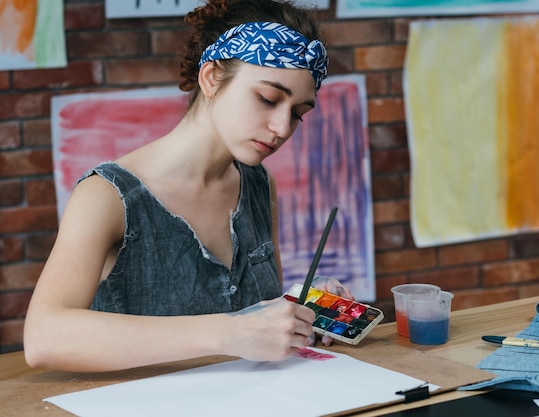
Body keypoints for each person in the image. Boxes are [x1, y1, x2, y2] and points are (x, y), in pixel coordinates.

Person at [23, 0, 353, 373]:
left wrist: (299, 304)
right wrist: (228, 332)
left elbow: (251, 317)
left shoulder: (259, 184)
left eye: (297, 113)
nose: (281, 127)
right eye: (268, 98)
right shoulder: (107, 196)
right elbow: (43, 338)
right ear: (211, 77)